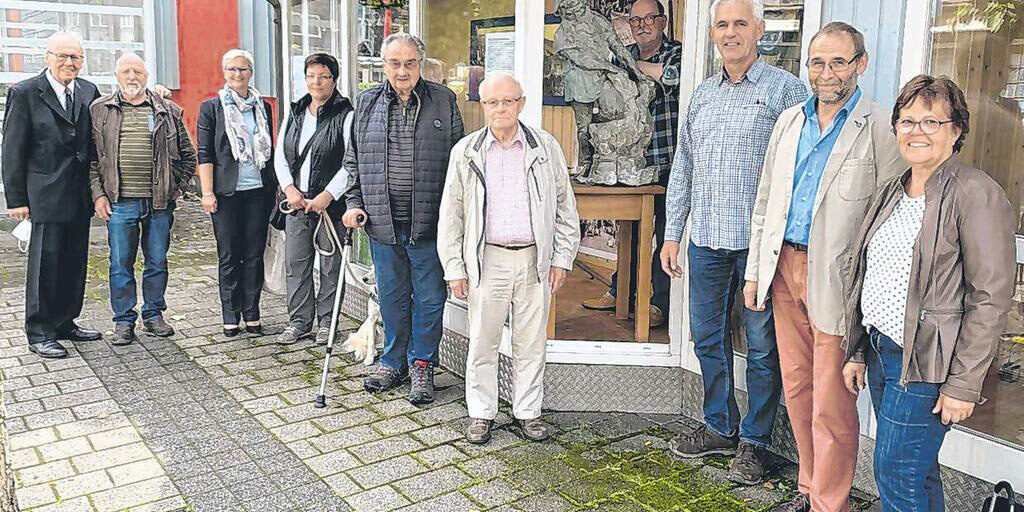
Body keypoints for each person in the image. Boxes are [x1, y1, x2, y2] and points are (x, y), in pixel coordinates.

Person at [744, 23, 903, 512]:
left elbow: (889, 215)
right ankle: (809, 489)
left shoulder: (880, 127)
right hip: (784, 265)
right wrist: (755, 271)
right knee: (797, 383)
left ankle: (830, 503)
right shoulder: (790, 120)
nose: (826, 72)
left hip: (835, 276)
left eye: (838, 61)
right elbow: (766, 198)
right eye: (818, 62)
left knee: (832, 398)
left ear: (861, 63)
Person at [842, 75, 1014, 511]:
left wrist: (963, 384)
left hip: (926, 362)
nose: (916, 131)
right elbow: (868, 273)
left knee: (897, 474)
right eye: (907, 121)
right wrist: (858, 350)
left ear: (956, 130)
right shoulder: (894, 191)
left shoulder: (976, 193)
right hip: (884, 351)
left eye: (931, 122)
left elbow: (990, 297)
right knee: (916, 470)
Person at [660, 0, 807, 485]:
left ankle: (756, 442)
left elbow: (800, 172)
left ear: (760, 31)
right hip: (705, 240)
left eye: (740, 23)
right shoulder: (701, 95)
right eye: (722, 24)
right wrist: (673, 233)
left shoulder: (787, 92)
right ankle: (720, 426)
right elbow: (684, 167)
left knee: (763, 347)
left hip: (758, 247)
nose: (730, 32)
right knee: (707, 338)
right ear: (713, 34)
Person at [437, 73, 581, 444]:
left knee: (530, 343)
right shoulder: (466, 151)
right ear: (482, 107)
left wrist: (562, 257)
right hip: (487, 261)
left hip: (534, 261)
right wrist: (455, 266)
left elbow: (566, 207)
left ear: (522, 103)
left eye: (508, 101)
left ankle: (528, 412)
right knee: (482, 342)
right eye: (492, 102)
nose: (500, 108)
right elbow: (450, 214)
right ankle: (481, 413)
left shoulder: (545, 147)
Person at [343, 33, 464, 404]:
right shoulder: (364, 104)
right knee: (393, 295)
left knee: (429, 298)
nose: (402, 70)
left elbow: (460, 164)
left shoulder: (443, 101)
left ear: (420, 64)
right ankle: (393, 360)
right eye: (394, 63)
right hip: (381, 219)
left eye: (410, 63)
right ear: (384, 65)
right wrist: (352, 202)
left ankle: (423, 364)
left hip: (429, 221)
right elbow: (354, 162)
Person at [1, 32, 102, 359]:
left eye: (75, 57)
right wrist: (16, 199)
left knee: (75, 261)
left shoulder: (88, 90)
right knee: (46, 263)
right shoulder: (26, 92)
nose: (69, 63)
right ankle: (39, 330)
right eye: (63, 56)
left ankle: (65, 320)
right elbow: (12, 150)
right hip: (44, 194)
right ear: (48, 57)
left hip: (80, 194)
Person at [583, 0, 682, 328]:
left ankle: (657, 304)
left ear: (662, 21)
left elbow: (672, 77)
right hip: (631, 161)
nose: (641, 24)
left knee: (667, 236)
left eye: (648, 18)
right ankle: (620, 291)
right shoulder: (622, 53)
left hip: (667, 161)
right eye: (635, 19)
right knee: (631, 231)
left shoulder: (678, 53)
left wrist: (632, 68)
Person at [89, 53, 197, 346]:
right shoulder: (100, 110)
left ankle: (153, 315)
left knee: (157, 261)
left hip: (160, 203)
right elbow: (91, 160)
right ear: (117, 75)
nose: (132, 76)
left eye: (138, 71)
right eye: (126, 71)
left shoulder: (168, 110)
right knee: (120, 264)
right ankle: (123, 321)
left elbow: (189, 156)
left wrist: (178, 187)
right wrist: (98, 195)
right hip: (119, 202)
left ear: (147, 75)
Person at [274, 53, 355, 346]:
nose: (316, 82)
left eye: (323, 76)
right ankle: (298, 321)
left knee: (331, 266)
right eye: (311, 76)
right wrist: (289, 189)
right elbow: (280, 155)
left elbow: (351, 162)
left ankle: (327, 322)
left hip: (330, 206)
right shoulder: (295, 112)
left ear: (333, 80)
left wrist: (327, 195)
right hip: (297, 203)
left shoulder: (346, 115)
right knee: (296, 263)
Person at [197, 49, 276, 337]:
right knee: (229, 255)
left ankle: (252, 313)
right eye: (231, 69)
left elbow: (269, 149)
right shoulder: (211, 108)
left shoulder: (263, 107)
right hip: (225, 194)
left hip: (257, 191)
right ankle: (230, 315)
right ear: (224, 72)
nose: (237, 75)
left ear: (251, 73)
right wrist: (207, 192)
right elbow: (204, 152)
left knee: (254, 254)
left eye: (242, 69)